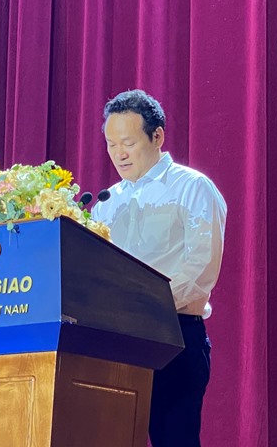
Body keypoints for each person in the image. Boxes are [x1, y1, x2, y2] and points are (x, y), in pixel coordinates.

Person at [91, 89, 226, 447]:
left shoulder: (192, 188)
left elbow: (200, 267)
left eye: (128, 143)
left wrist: (145, 308)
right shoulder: (106, 203)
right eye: (111, 144)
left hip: (174, 334)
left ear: (157, 136)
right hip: (117, 339)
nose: (119, 153)